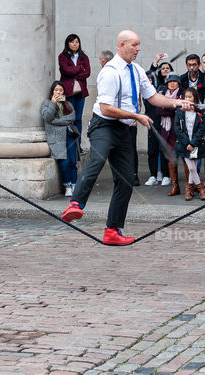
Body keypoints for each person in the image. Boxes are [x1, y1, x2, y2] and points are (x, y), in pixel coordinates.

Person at [61, 30, 194, 246]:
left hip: (124, 129)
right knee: (97, 159)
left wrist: (177, 103)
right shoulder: (110, 72)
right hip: (103, 125)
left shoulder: (138, 70)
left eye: (139, 45)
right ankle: (75, 204)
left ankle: (113, 230)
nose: (138, 49)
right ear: (122, 45)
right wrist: (136, 116)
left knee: (125, 180)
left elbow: (153, 97)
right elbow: (106, 108)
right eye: (135, 45)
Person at [58, 34, 91, 170]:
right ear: (68, 44)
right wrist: (79, 69)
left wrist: (74, 72)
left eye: (77, 42)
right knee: (69, 118)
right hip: (69, 92)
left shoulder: (84, 57)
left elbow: (87, 72)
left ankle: (78, 145)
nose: (75, 44)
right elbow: (65, 70)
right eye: (72, 42)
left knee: (78, 119)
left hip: (80, 92)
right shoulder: (63, 56)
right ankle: (69, 143)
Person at [42, 82, 77, 197]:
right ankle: (67, 186)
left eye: (60, 90)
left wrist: (55, 122)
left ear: (63, 92)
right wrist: (53, 103)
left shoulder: (68, 104)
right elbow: (47, 117)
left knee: (72, 161)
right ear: (52, 91)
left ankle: (74, 185)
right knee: (64, 162)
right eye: (56, 90)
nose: (58, 92)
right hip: (57, 138)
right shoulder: (47, 103)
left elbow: (71, 117)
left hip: (69, 135)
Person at [175, 87, 205, 201]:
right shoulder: (180, 110)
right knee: (191, 168)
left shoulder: (199, 112)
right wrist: (186, 143)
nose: (187, 99)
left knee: (193, 166)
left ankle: (189, 189)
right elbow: (177, 129)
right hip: (184, 143)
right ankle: (200, 188)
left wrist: (193, 143)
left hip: (195, 144)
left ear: (194, 98)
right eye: (185, 97)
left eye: (190, 97)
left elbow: (201, 130)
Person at [145, 56, 172, 185]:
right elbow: (150, 74)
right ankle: (153, 175)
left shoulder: (162, 88)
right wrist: (155, 62)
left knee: (164, 148)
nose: (165, 70)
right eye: (163, 68)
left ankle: (167, 175)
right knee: (152, 149)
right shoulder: (146, 91)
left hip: (164, 121)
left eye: (167, 68)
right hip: (151, 120)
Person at [157, 73, 181, 195]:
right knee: (170, 157)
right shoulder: (162, 94)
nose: (172, 83)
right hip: (166, 130)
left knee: (186, 158)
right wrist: (172, 105)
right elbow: (158, 109)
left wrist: (168, 107)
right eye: (170, 81)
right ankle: (174, 185)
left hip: (178, 130)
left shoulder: (181, 94)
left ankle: (192, 185)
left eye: (175, 82)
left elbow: (177, 109)